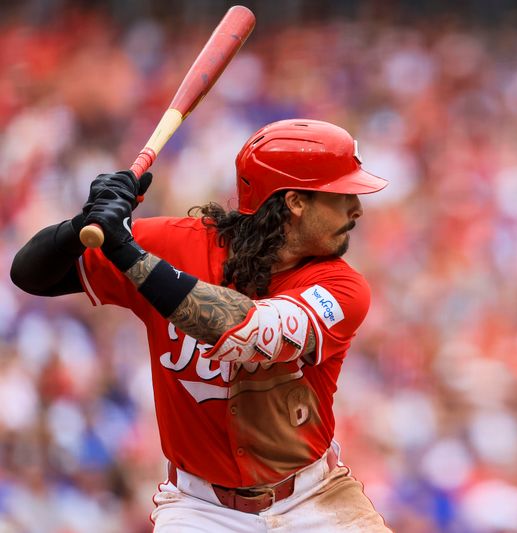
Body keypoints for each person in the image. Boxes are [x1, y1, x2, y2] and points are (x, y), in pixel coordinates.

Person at [11, 119, 392, 532]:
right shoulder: (175, 246)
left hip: (313, 500)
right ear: (295, 201)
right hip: (199, 509)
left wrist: (129, 256)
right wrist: (82, 225)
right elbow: (31, 275)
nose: (356, 207)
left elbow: (244, 330)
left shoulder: (342, 286)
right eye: (342, 194)